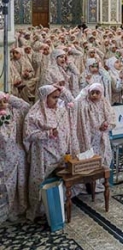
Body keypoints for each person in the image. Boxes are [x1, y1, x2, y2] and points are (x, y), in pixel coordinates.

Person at [23, 85, 79, 220]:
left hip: (60, 152)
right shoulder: (34, 115)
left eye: (58, 97)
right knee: (40, 179)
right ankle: (38, 209)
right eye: (53, 97)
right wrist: (48, 133)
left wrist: (63, 90)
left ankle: (57, 205)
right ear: (44, 97)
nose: (56, 100)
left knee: (60, 178)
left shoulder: (61, 110)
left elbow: (73, 107)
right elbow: (28, 135)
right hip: (43, 154)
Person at [75, 83, 116, 193]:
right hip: (88, 137)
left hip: (102, 136)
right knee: (90, 160)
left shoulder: (104, 102)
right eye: (92, 92)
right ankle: (90, 184)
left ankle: (99, 182)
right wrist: (83, 93)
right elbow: (75, 103)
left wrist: (106, 125)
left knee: (103, 158)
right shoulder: (84, 103)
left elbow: (111, 116)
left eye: (97, 93)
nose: (94, 95)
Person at [0, 92, 30, 220]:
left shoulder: (13, 111)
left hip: (18, 152)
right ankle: (8, 210)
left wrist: (10, 98)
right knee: (7, 184)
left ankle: (20, 207)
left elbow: (26, 106)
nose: (2, 104)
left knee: (21, 181)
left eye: (4, 101)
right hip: (4, 157)